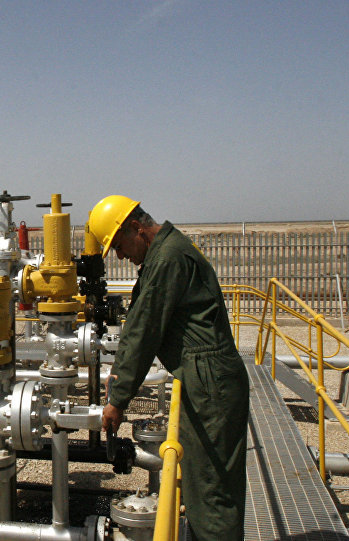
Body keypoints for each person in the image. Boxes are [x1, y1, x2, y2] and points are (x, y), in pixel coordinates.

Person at [88, 195, 249, 541]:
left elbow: (143, 331)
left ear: (137, 228)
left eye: (119, 246)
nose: (120, 256)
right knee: (201, 480)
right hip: (205, 379)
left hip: (210, 384)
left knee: (212, 489)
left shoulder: (167, 259)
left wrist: (117, 399)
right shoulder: (168, 251)